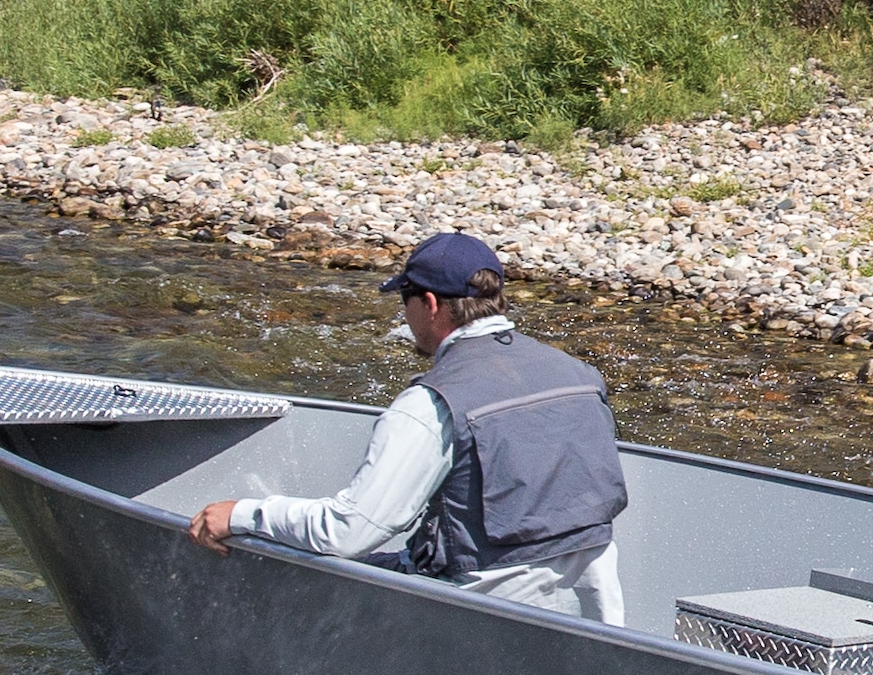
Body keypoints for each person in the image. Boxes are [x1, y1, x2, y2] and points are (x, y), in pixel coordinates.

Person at [185, 232, 631, 620]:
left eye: (405, 301)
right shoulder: (580, 375)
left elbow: (349, 532)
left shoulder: (430, 404)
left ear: (430, 304)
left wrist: (241, 514)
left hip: (484, 627)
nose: (405, 316)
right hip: (592, 624)